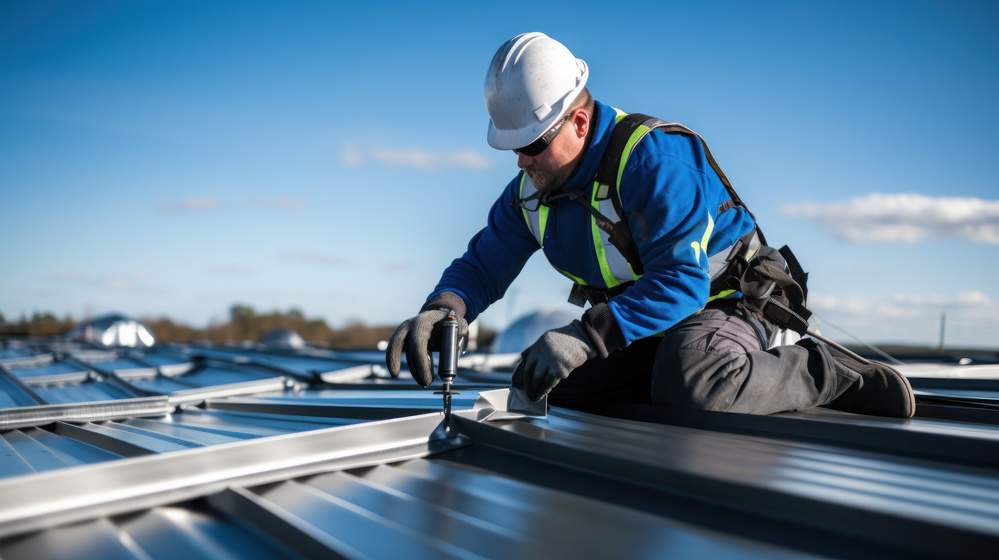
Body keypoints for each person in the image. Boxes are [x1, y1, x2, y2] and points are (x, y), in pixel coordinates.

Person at [387, 32, 915, 418]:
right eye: (512, 148)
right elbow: (485, 262)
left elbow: (683, 283)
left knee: (695, 385)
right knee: (556, 384)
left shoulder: (652, 160)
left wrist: (585, 337)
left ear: (577, 121)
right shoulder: (533, 191)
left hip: (724, 301)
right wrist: (443, 308)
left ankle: (827, 371)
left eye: (531, 145)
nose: (521, 161)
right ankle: (669, 369)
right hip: (650, 319)